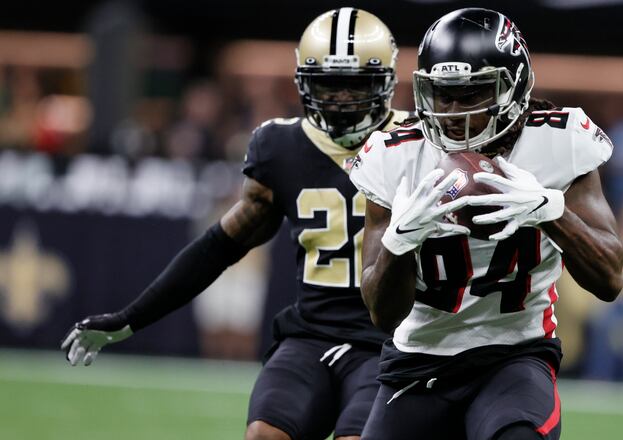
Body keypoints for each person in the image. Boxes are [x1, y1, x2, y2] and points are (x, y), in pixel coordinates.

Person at [60, 8, 408, 440]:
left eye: (353, 84)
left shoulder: (415, 144)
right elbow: (216, 248)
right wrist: (130, 318)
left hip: (392, 342)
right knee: (264, 434)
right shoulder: (281, 147)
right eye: (327, 84)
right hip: (310, 336)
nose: (339, 98)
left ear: (386, 82)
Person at [349, 8, 623, 440]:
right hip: (420, 358)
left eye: (472, 94)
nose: (454, 113)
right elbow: (383, 315)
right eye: (443, 95)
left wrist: (552, 213)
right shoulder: (394, 155)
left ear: (514, 88)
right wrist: (399, 243)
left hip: (515, 354)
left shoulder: (558, 141)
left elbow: (610, 279)